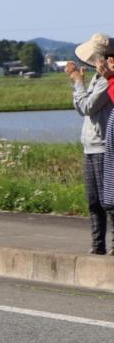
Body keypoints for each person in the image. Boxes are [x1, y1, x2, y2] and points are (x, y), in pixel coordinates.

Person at [67, 33, 114, 254]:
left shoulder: (106, 80)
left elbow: (87, 107)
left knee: (108, 201)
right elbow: (83, 106)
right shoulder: (99, 78)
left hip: (103, 146)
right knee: (93, 201)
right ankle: (97, 246)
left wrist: (78, 82)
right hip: (91, 146)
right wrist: (80, 84)